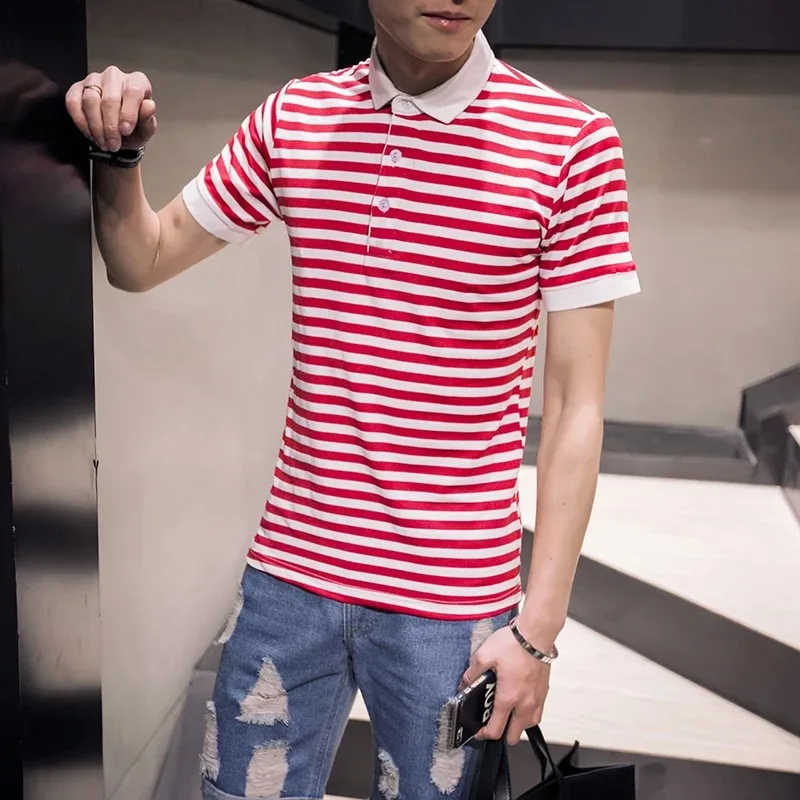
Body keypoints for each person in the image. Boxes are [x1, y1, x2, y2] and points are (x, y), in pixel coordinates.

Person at [66, 1, 640, 798]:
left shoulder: (571, 141)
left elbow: (577, 405)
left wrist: (537, 631)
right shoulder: (297, 117)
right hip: (290, 572)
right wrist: (117, 152)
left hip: (452, 602)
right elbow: (142, 258)